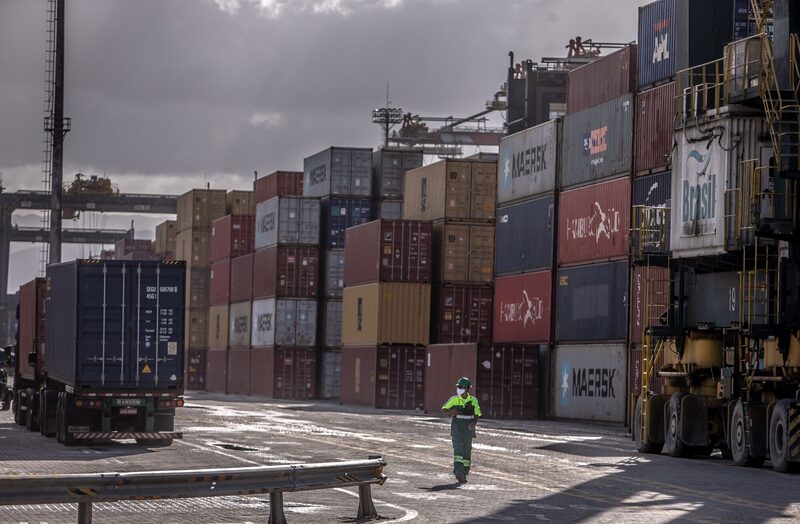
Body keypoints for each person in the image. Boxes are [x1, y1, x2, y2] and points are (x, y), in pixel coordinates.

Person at [441, 377, 482, 484]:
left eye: (461, 387)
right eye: (458, 387)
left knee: (466, 452)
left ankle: (465, 471)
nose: (458, 389)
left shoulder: (473, 401)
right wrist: (451, 411)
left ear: (467, 389)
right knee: (458, 451)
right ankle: (458, 472)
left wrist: (474, 423)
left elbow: (477, 414)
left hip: (468, 431)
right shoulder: (454, 399)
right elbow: (444, 409)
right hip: (457, 430)